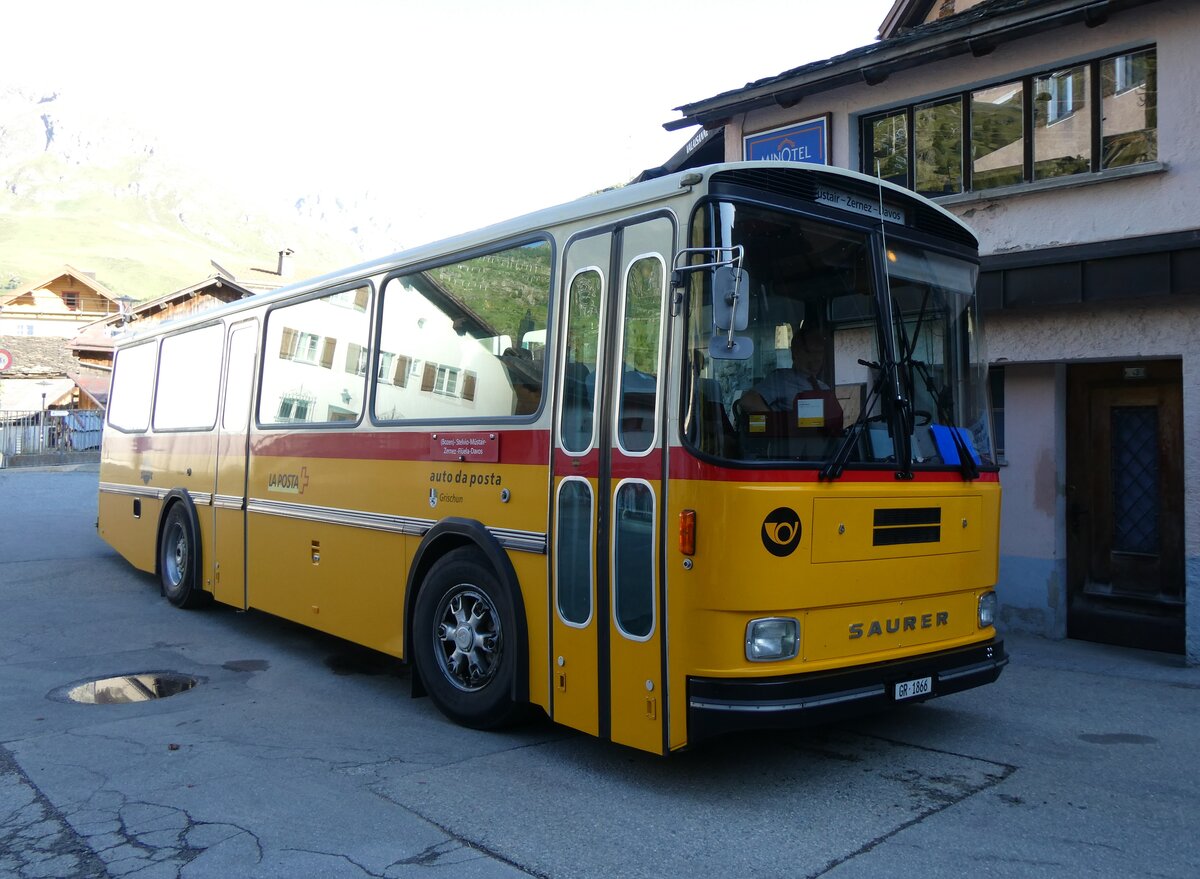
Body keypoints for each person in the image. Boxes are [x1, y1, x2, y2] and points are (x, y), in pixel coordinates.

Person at [739, 323, 830, 413]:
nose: (817, 358)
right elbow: (748, 401)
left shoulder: (824, 388)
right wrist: (776, 423)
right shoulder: (781, 380)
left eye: (820, 352)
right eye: (811, 352)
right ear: (796, 353)